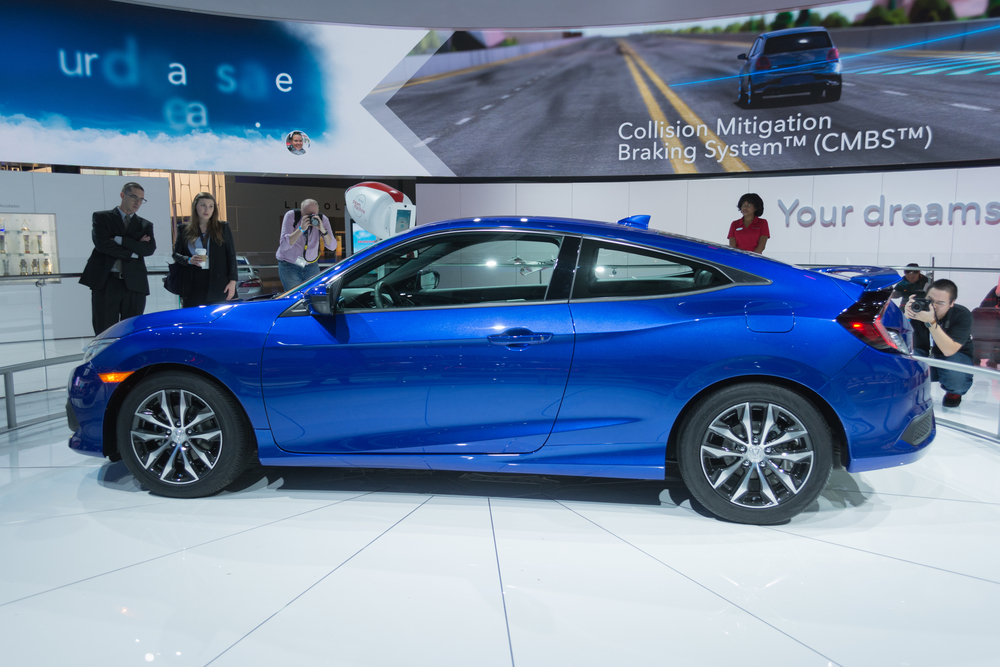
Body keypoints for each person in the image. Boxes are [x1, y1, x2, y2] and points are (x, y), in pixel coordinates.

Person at [79, 182, 156, 335]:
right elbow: (103, 245)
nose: (138, 202)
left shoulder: (145, 225)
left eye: (141, 199)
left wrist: (120, 240)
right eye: (134, 197)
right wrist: (134, 251)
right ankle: (104, 359)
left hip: (134, 284)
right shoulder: (102, 217)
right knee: (105, 331)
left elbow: (148, 249)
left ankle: (129, 359)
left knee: (132, 331)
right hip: (107, 282)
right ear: (122, 195)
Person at [905, 278, 975, 408]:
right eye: (930, 301)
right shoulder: (917, 310)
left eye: (940, 303)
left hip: (954, 356)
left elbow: (949, 350)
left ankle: (953, 392)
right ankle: (913, 392)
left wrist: (930, 322)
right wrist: (905, 317)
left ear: (952, 303)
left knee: (956, 375)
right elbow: (897, 342)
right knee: (909, 358)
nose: (933, 306)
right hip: (923, 353)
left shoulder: (962, 315)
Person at [171, 192, 238, 308]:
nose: (207, 209)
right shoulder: (184, 229)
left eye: (211, 206)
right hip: (192, 283)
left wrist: (233, 281)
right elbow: (176, 255)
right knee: (193, 320)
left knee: (217, 320)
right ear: (195, 206)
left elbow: (231, 255)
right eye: (203, 205)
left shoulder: (222, 227)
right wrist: (188, 260)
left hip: (218, 283)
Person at [276, 199, 337, 291]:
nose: (311, 218)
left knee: (313, 295)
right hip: (289, 264)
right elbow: (284, 246)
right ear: (301, 211)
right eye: (307, 215)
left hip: (311, 265)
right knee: (295, 298)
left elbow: (332, 246)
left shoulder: (322, 219)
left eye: (313, 215)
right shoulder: (292, 216)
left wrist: (323, 230)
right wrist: (301, 229)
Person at [893, 263, 930, 354]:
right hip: (905, 307)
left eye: (914, 274)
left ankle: (922, 350)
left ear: (918, 272)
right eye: (908, 274)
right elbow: (897, 294)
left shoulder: (926, 281)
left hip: (922, 307)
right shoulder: (902, 282)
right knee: (902, 327)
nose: (911, 277)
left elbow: (931, 295)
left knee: (921, 331)